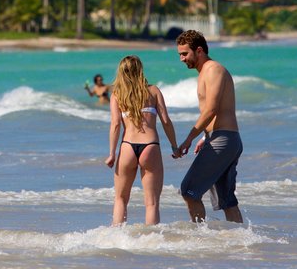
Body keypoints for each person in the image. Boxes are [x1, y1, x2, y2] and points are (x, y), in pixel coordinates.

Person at [173, 30, 244, 223]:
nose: (181, 59)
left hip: (224, 139)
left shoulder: (213, 70)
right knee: (226, 200)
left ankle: (199, 238)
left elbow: (211, 109)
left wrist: (190, 138)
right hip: (221, 137)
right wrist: (205, 136)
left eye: (184, 53)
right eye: (179, 54)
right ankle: (239, 241)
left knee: (189, 190)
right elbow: (217, 111)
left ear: (199, 50)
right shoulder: (205, 72)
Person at [105, 55, 180, 225]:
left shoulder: (117, 95)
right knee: (151, 203)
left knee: (121, 199)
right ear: (140, 70)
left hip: (127, 147)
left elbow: (115, 125)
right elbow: (166, 121)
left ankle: (116, 239)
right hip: (150, 145)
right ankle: (151, 243)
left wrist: (111, 153)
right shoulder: (153, 91)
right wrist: (174, 146)